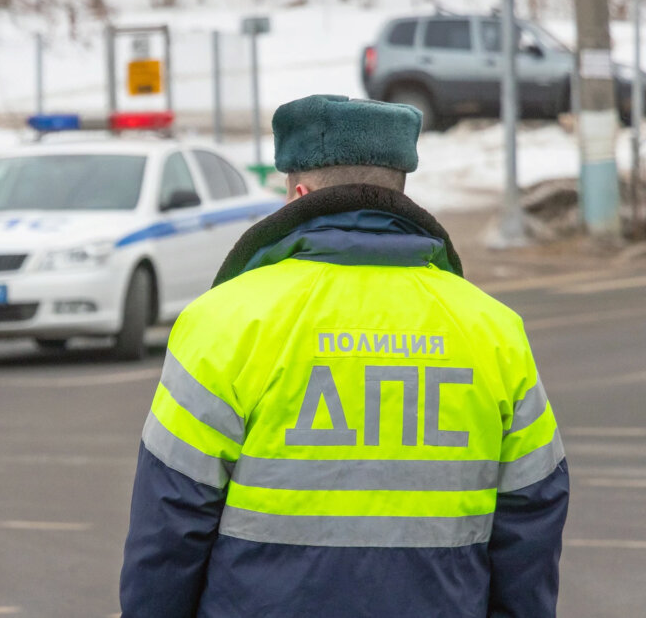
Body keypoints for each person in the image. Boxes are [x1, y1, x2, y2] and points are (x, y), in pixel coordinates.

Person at [119, 94, 568, 618]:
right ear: (399, 190)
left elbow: (169, 523)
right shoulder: (494, 331)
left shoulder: (223, 322)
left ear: (299, 193)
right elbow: (533, 513)